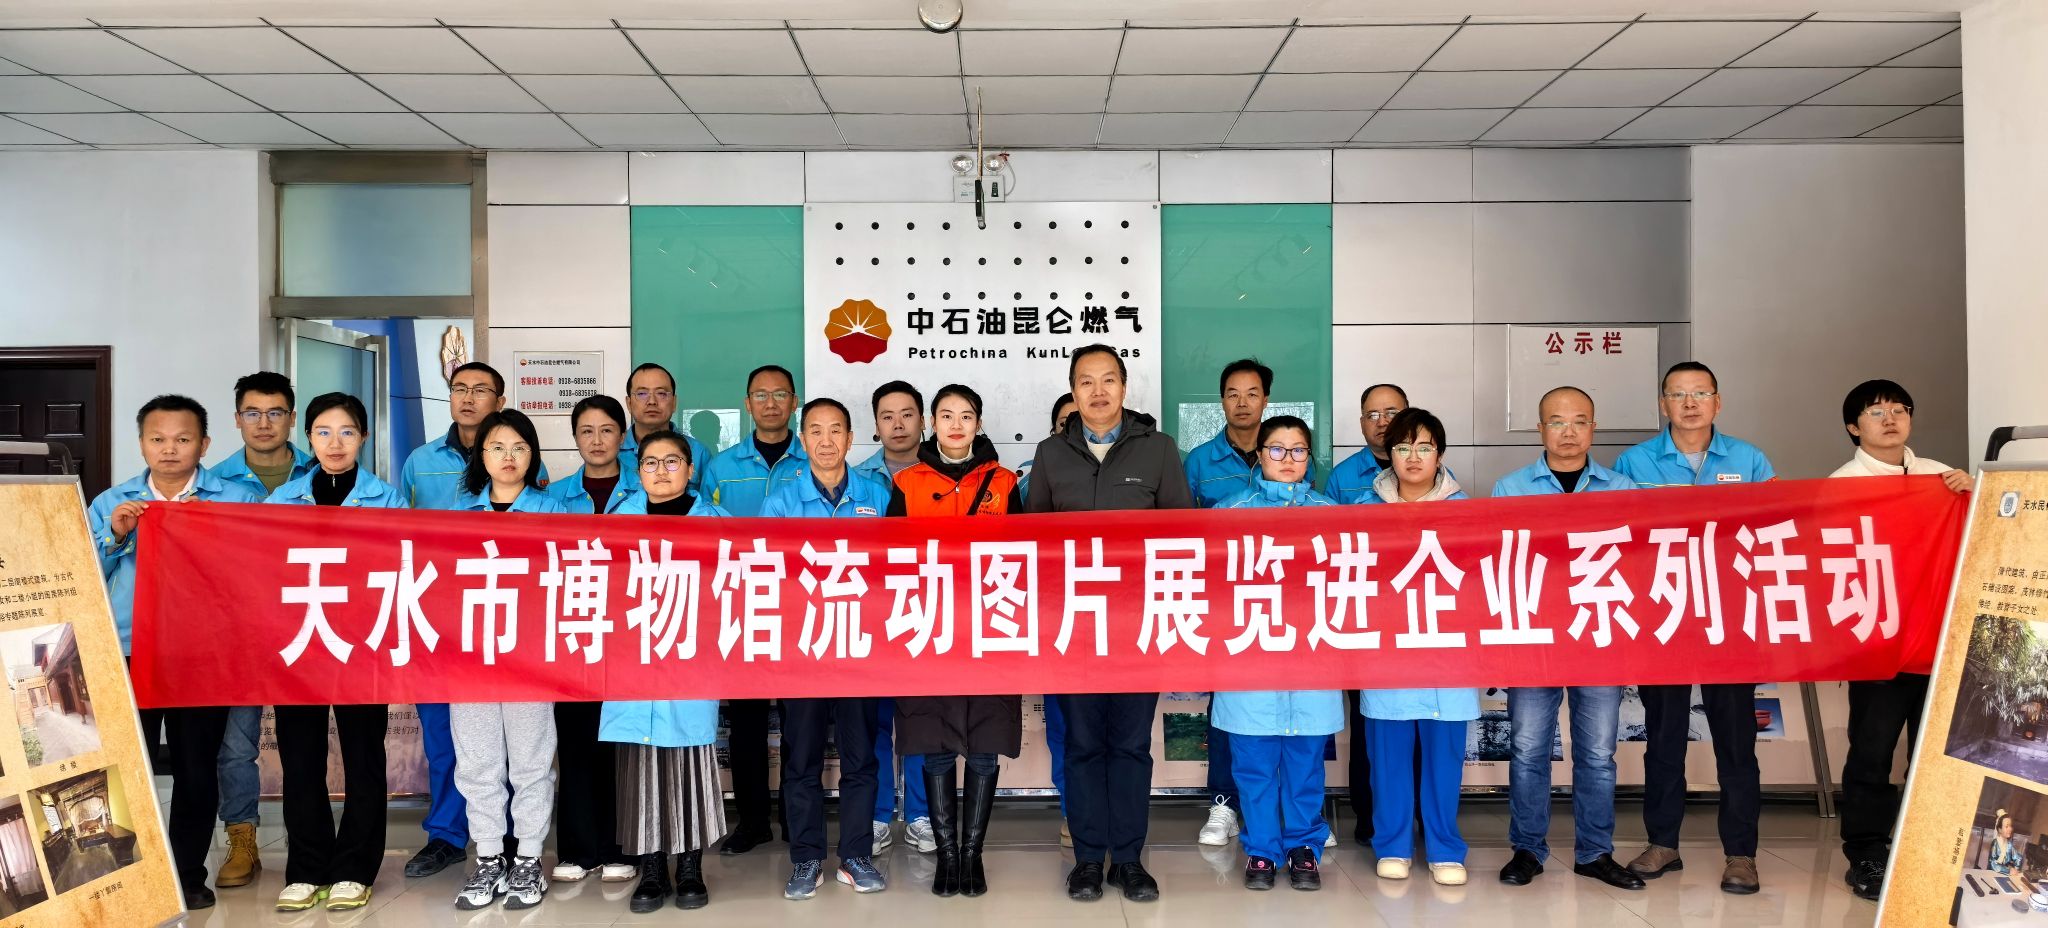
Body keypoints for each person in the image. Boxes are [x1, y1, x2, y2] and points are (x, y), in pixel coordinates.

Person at [1025, 343, 1193, 903]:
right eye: (1086, 382)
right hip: (1073, 628)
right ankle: (1086, 861)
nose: (1097, 392)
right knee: (1080, 746)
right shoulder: (1050, 454)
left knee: (1130, 746)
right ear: (1073, 392)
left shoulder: (1158, 449)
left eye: (1108, 380)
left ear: (1124, 386)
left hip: (1137, 625)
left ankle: (1128, 860)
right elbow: (1035, 542)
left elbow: (1181, 536)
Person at [88, 394, 265, 910]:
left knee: (196, 766)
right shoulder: (112, 501)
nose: (170, 449)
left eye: (183, 439)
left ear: (204, 444)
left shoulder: (237, 499)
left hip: (203, 653)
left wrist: (209, 535)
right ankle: (133, 877)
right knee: (130, 765)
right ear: (142, 443)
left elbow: (257, 574)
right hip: (129, 650)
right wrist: (116, 535)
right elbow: (84, 575)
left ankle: (188, 873)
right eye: (158, 439)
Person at [1615, 361, 1775, 895]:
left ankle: (1741, 854)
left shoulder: (1749, 460)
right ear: (1663, 404)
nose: (1689, 403)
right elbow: (1619, 536)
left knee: (1737, 742)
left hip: (1731, 620)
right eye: (1678, 394)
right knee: (1664, 738)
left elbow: (1776, 526)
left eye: (1700, 393)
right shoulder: (1634, 462)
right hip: (1663, 618)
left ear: (1717, 402)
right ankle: (1663, 844)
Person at [1490, 387, 1644, 892]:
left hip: (1598, 639)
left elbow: (1638, 564)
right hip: (1533, 640)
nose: (1569, 431)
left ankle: (1595, 852)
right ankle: (1527, 850)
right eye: (1557, 421)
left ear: (1594, 428)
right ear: (1540, 429)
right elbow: (1498, 565)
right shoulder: (1511, 488)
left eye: (1580, 421)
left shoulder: (1622, 489)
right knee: (1528, 750)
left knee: (1597, 754)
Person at [1831, 379, 1972, 900]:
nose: (1889, 419)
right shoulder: (1842, 485)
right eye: (1875, 412)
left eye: (1899, 409)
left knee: (1934, 755)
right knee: (1871, 752)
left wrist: (1973, 496)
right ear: (1854, 427)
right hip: (1880, 645)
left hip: (1941, 641)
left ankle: (1923, 851)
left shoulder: (1941, 476)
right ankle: (1867, 854)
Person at [397, 361, 536, 879]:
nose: (469, 397)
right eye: (460, 388)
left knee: (518, 747)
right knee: (447, 740)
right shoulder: (419, 462)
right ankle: (448, 835)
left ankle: (515, 842)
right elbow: (397, 538)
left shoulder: (522, 469)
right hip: (445, 625)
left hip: (514, 628)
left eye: (481, 390)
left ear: (500, 401)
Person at [265, 393, 403, 912]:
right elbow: (259, 569)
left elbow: (398, 567)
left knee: (364, 755)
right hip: (300, 642)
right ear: (308, 437)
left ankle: (355, 868)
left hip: (361, 644)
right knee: (300, 757)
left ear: (363, 437)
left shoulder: (387, 500)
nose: (335, 443)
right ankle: (305, 868)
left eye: (347, 432)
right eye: (323, 432)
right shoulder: (281, 502)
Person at [884, 384, 1023, 897]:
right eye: (947, 415)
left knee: (984, 743)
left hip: (990, 626)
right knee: (936, 740)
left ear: (979, 424)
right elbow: (892, 555)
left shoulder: (1005, 482)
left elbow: (1026, 553)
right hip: (931, 627)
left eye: (967, 416)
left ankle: (972, 854)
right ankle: (946, 855)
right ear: (932, 424)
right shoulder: (909, 482)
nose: (957, 425)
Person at [762, 398, 893, 900]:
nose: (825, 440)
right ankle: (806, 859)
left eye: (835, 430)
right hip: (804, 650)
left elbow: (892, 569)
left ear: (851, 437)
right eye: (815, 430)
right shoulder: (782, 502)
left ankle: (856, 856)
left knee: (861, 758)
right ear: (802, 439)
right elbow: (770, 572)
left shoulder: (876, 495)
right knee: (802, 761)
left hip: (860, 648)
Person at [1183, 358, 1314, 849]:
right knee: (1230, 707)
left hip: (1293, 611)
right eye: (1233, 393)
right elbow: (1188, 535)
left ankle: (1293, 813)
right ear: (1221, 400)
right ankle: (1224, 804)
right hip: (1230, 609)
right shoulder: (1199, 462)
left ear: (1266, 399)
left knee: (1297, 706)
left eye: (1252, 393)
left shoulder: (1292, 454)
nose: (1242, 402)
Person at [1211, 415, 1341, 892]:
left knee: (1306, 763)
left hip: (1312, 657)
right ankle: (1262, 850)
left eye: (1298, 450)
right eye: (1277, 449)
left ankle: (1304, 847)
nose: (1288, 459)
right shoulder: (1228, 513)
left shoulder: (1334, 516)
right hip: (1251, 657)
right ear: (1260, 455)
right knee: (1254, 766)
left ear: (1310, 457)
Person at [602, 431, 731, 913]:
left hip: (692, 662)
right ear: (638, 472)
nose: (661, 471)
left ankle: (691, 866)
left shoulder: (718, 523)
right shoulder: (617, 523)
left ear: (690, 469)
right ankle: (652, 869)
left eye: (672, 461)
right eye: (651, 462)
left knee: (690, 765)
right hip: (634, 664)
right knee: (641, 769)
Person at [450, 408, 566, 911]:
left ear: (532, 455)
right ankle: (489, 857)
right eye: (497, 447)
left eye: (519, 447)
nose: (508, 457)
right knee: (477, 763)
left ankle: (529, 859)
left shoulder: (553, 512)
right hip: (470, 659)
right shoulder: (457, 517)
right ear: (481, 455)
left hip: (530, 660)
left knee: (531, 762)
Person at [1358, 407, 1474, 887]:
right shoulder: (1364, 511)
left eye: (1424, 447)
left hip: (1448, 654)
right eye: (1403, 447)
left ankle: (1445, 848)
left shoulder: (1468, 512)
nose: (1413, 457)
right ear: (1390, 454)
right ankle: (1393, 846)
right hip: (1388, 655)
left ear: (1439, 455)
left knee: (1443, 762)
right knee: (1388, 762)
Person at [208, 370, 313, 892]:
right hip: (239, 632)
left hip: (309, 626)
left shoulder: (323, 471)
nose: (264, 423)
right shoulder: (212, 484)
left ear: (291, 418)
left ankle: (311, 848)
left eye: (275, 413)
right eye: (253, 413)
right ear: (237, 419)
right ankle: (242, 839)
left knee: (304, 746)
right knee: (236, 743)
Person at [698, 364, 808, 855]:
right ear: (747, 404)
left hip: (802, 606)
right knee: (745, 720)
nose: (770, 403)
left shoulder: (813, 460)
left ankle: (796, 817)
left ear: (794, 402)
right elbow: (700, 532)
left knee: (799, 716)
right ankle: (752, 821)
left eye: (780, 394)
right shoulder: (721, 467)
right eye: (760, 395)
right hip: (740, 606)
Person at [542, 395, 638, 886]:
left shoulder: (646, 490)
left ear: (623, 436)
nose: (597, 440)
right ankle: (578, 849)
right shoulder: (554, 498)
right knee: (576, 741)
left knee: (622, 743)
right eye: (586, 431)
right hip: (574, 633)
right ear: (575, 438)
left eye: (606, 430)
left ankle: (622, 847)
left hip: (630, 633)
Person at [856, 380, 932, 854]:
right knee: (876, 721)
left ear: (923, 421)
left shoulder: (942, 476)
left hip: (925, 612)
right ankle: (880, 814)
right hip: (871, 616)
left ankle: (921, 814)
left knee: (921, 719)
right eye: (888, 416)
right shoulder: (859, 480)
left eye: (907, 414)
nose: (898, 424)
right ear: (876, 424)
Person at [1015, 391, 1078, 846]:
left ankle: (1112, 815)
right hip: (1055, 617)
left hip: (1116, 617)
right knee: (1063, 728)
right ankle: (1074, 811)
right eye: (1064, 423)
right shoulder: (1031, 480)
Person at [619, 362, 711, 496]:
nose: (652, 401)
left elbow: (707, 505)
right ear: (629, 403)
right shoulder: (613, 451)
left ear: (674, 402)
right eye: (642, 393)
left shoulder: (698, 453)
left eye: (661, 393)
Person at [1326, 383, 1408, 505]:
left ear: (1408, 419)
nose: (1382, 422)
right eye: (1372, 415)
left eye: (1392, 413)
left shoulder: (1428, 469)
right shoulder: (1340, 476)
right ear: (1362, 424)